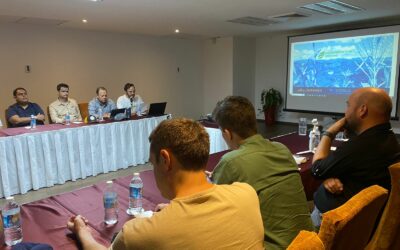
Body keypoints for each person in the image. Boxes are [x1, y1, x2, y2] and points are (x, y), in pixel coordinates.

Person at [67, 118, 265, 249]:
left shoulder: (139, 234)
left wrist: (81, 230)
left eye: (153, 163)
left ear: (165, 160)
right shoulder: (247, 194)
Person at [210, 96, 314, 249]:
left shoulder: (230, 161)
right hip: (309, 242)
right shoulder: (282, 149)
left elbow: (209, 210)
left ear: (227, 133)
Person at [310, 87, 400, 227]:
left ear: (362, 110)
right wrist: (329, 176)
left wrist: (329, 133)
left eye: (348, 105)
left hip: (336, 226)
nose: (345, 112)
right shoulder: (389, 139)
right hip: (367, 221)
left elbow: (317, 169)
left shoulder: (361, 146)